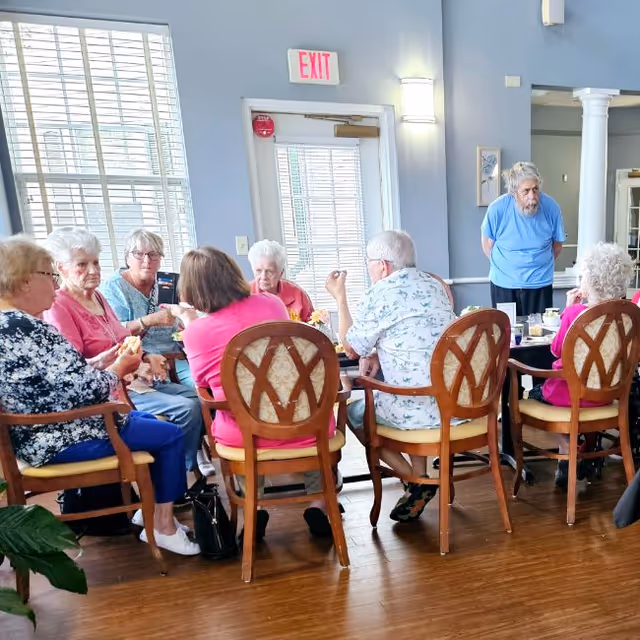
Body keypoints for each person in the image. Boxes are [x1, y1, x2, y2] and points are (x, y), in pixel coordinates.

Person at [0, 235, 198, 555]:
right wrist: (118, 368)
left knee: (150, 420)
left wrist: (100, 362)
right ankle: (162, 524)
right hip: (60, 437)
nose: (55, 284)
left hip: (47, 431)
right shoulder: (25, 328)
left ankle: (151, 514)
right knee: (170, 433)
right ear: (24, 281)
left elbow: (59, 380)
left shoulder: (14, 324)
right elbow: (77, 393)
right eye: (49, 276)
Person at [163, 246, 338, 537]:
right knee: (311, 411)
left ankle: (253, 509)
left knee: (233, 416)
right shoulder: (271, 304)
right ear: (234, 274)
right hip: (304, 426)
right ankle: (319, 504)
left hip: (247, 434)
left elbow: (202, 383)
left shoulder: (197, 332)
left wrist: (190, 322)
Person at [42, 227, 204, 478]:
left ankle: (180, 474)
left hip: (134, 381)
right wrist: (128, 364)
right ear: (61, 268)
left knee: (198, 398)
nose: (93, 270)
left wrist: (146, 357)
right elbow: (73, 368)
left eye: (95, 262)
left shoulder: (97, 297)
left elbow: (123, 338)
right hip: (108, 393)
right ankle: (173, 479)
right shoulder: (59, 306)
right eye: (82, 265)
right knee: (186, 409)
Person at [326, 230, 457, 522]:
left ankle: (417, 480)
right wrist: (376, 354)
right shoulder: (435, 285)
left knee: (357, 413)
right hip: (451, 403)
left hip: (414, 407)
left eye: (369, 262)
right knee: (409, 386)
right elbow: (416, 337)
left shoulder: (381, 292)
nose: (368, 268)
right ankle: (419, 478)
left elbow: (350, 347)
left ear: (383, 265)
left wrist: (340, 297)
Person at [527, 242, 634, 489]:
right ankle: (581, 452)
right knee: (576, 402)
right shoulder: (628, 316)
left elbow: (555, 350)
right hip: (607, 397)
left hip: (570, 395)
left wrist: (567, 310)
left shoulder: (574, 313)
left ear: (591, 282)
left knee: (534, 393)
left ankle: (567, 448)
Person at [101, 229, 192, 387]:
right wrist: (149, 321)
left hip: (178, 357)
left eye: (153, 254)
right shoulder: (113, 288)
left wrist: (185, 325)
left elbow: (183, 322)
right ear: (127, 258)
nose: (147, 260)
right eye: (138, 253)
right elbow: (114, 333)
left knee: (205, 385)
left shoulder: (169, 282)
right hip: (142, 362)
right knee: (189, 398)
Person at [481, 162, 566, 316]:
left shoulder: (551, 207)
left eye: (535, 189)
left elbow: (557, 246)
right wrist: (507, 267)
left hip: (540, 284)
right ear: (513, 192)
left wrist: (537, 264)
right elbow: (487, 245)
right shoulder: (497, 209)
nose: (532, 197)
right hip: (503, 284)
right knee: (508, 334)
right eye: (526, 191)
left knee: (540, 334)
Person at [248, 239, 314, 322]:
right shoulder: (244, 294)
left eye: (269, 271)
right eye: (258, 271)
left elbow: (312, 328)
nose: (263, 276)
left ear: (280, 273)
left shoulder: (297, 294)